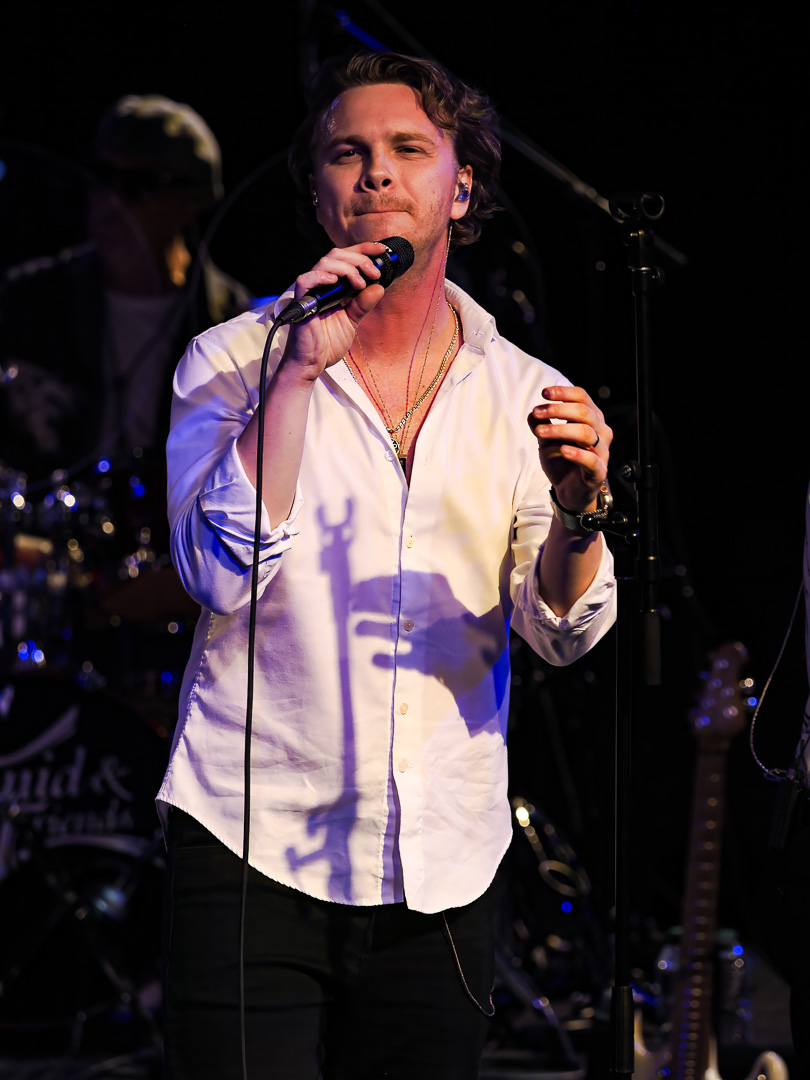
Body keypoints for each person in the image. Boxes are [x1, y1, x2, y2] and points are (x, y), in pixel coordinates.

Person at [158, 52, 617, 1079]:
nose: (375, 172)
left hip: (441, 865)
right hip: (250, 844)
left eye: (409, 148)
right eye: (346, 153)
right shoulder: (231, 361)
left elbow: (562, 632)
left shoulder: (525, 392)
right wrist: (294, 378)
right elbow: (216, 576)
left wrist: (581, 514)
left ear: (461, 187)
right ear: (320, 193)